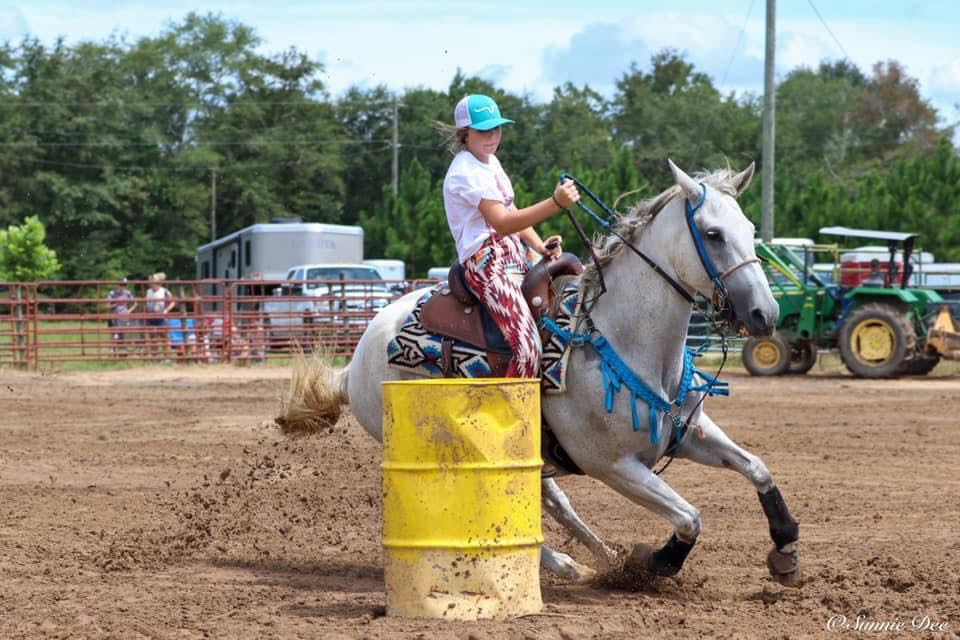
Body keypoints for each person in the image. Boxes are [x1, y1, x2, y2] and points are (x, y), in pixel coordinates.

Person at [441, 94, 580, 378]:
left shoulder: (490, 161)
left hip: (514, 255)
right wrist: (555, 204)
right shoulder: (465, 173)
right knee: (528, 349)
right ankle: (511, 419)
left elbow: (509, 207)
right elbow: (502, 222)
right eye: (483, 130)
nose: (492, 136)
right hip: (485, 267)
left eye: (497, 128)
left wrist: (539, 245)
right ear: (465, 134)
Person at [145, 272, 176, 359]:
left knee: (164, 337)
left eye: (152, 281)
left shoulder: (164, 291)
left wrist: (166, 310)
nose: (150, 282)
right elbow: (146, 304)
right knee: (153, 338)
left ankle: (167, 357)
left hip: (161, 316)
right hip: (151, 316)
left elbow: (173, 302)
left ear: (156, 282)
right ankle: (155, 357)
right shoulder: (148, 292)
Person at [106, 277, 138, 355]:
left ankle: (122, 352)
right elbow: (107, 306)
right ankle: (111, 351)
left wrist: (129, 311)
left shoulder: (128, 293)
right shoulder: (112, 293)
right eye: (121, 284)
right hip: (114, 316)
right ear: (117, 284)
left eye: (124, 284)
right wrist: (117, 303)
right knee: (114, 334)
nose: (122, 286)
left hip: (124, 317)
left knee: (122, 334)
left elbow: (135, 303)